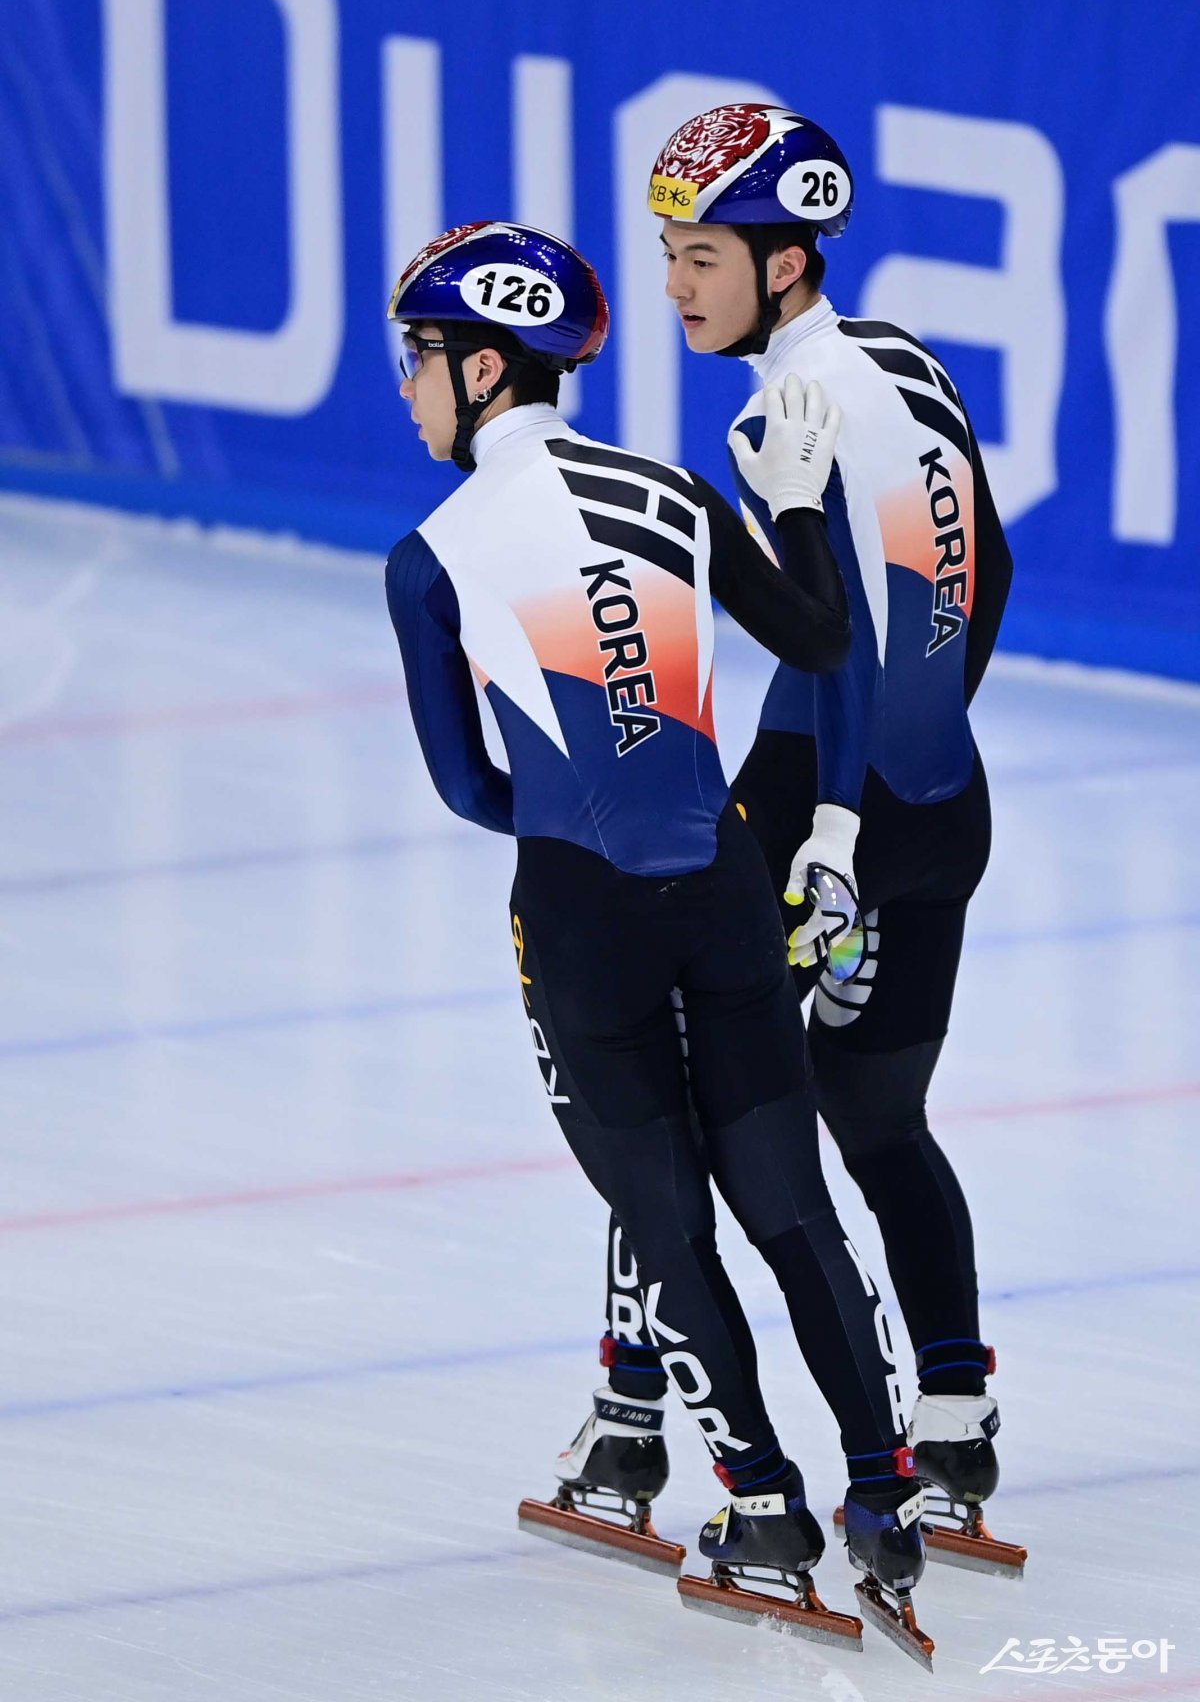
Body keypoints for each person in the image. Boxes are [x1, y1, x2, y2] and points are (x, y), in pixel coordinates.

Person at [383, 219, 935, 1660]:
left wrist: (568, 817)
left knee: (667, 1217)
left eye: (417, 360)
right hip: (728, 892)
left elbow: (465, 788)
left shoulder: (432, 557)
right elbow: (822, 640)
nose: (408, 389)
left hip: (584, 916)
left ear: (483, 369)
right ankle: (886, 1497)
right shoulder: (676, 491)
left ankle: (765, 1508)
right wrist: (798, 505)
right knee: (792, 1204)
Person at [575, 104, 1022, 1579]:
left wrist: (831, 830)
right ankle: (955, 1424)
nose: (672, 287)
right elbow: (989, 565)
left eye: (699, 258)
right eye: (665, 253)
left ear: (784, 263)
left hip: (811, 809)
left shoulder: (779, 422)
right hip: (943, 804)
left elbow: (828, 646)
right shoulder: (909, 360)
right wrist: (922, 752)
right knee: (881, 1123)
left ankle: (630, 1423)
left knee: (671, 1101)